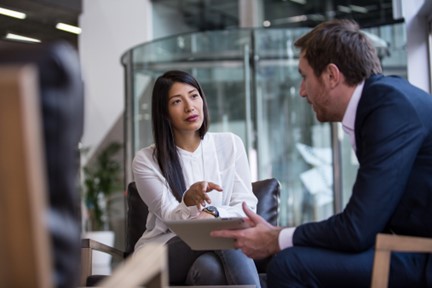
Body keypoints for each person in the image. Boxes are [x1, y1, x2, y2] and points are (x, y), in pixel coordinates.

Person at [211, 19, 432, 287]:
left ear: (331, 75)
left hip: (421, 253)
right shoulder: (383, 99)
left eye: (304, 77)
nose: (302, 91)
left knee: (290, 265)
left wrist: (276, 238)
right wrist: (279, 237)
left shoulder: (388, 108)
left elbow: (357, 229)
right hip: (403, 243)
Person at [132, 70, 261, 287]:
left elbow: (247, 207)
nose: (190, 106)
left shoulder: (230, 144)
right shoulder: (146, 160)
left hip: (211, 250)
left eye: (193, 96)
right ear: (164, 112)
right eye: (176, 101)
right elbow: (171, 217)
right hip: (159, 254)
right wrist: (188, 202)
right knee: (221, 233)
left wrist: (212, 213)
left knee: (209, 269)